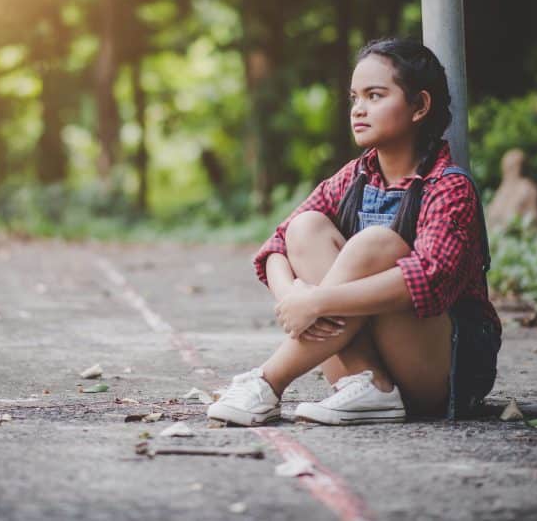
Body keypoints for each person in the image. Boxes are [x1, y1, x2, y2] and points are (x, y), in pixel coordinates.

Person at [207, 37, 501, 426]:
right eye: (354, 97)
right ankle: (371, 386)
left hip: (442, 371)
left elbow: (430, 279)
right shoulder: (354, 176)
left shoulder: (447, 187)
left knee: (375, 244)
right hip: (366, 363)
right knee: (305, 228)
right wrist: (294, 296)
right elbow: (277, 245)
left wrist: (319, 302)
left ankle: (268, 380)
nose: (359, 109)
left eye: (375, 95)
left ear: (420, 106)